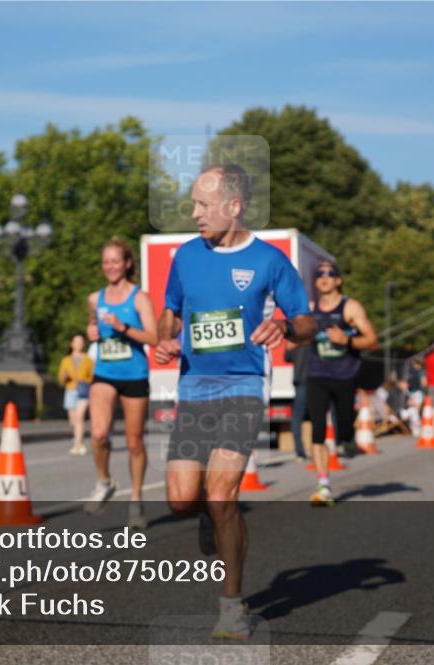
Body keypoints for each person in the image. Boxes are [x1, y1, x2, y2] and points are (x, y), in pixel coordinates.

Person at [154, 164, 315, 640]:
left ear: (234, 206)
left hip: (243, 388)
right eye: (193, 204)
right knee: (183, 501)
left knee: (223, 494)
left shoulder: (268, 261)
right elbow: (170, 311)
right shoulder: (185, 256)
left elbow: (306, 322)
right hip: (194, 389)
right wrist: (167, 338)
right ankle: (206, 514)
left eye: (203, 205)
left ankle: (231, 606)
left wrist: (285, 326)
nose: (194, 213)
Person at [84, 239, 158, 530]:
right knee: (100, 433)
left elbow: (153, 338)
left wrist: (123, 328)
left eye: (116, 261)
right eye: (106, 262)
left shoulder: (140, 298)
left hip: (135, 375)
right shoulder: (95, 298)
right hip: (105, 372)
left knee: (134, 441)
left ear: (127, 263)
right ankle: (104, 481)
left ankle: (136, 498)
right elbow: (93, 326)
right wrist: (91, 331)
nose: (111, 267)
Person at [305, 259, 378, 505]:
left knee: (344, 427)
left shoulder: (350, 308)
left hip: (345, 375)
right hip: (317, 374)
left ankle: (347, 436)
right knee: (317, 429)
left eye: (329, 274)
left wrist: (346, 341)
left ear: (338, 280)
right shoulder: (310, 309)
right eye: (319, 275)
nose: (324, 278)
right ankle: (323, 483)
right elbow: (296, 337)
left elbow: (371, 340)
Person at [57, 334, 95, 455]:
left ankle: (78, 444)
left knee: (79, 417)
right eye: (76, 341)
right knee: (73, 420)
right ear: (72, 344)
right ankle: (78, 438)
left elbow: (93, 377)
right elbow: (60, 378)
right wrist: (64, 377)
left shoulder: (89, 360)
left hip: (83, 391)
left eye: (81, 342)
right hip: (70, 389)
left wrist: (86, 382)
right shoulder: (66, 360)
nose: (78, 344)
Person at [284, 341, 310, 462]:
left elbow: (287, 357)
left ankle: (300, 451)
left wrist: (289, 347)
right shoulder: (313, 337)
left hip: (304, 382)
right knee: (317, 416)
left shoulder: (297, 341)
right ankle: (301, 450)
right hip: (308, 382)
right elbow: (287, 357)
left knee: (297, 417)